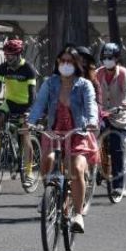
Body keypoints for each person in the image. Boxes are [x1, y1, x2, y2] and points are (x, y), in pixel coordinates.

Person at [28, 46, 98, 232]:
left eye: (69, 61)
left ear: (76, 65)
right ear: (58, 63)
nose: (65, 64)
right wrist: (30, 122)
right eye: (62, 61)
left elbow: (91, 106)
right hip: (54, 133)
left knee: (76, 168)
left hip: (78, 133)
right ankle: (50, 194)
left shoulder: (84, 85)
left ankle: (78, 214)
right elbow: (39, 104)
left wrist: (92, 122)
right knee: (47, 160)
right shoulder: (50, 83)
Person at [0, 38, 38, 179]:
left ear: (18, 54)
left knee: (25, 135)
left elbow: (32, 93)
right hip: (10, 102)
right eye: (6, 55)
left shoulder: (28, 69)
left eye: (10, 55)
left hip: (26, 104)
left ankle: (28, 172)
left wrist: (29, 111)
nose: (8, 58)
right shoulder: (3, 68)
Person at [95, 42, 126, 196]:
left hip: (120, 116)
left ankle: (118, 185)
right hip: (102, 114)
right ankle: (97, 169)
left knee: (117, 149)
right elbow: (92, 90)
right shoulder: (98, 73)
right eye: (104, 57)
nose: (107, 60)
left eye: (110, 58)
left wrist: (123, 104)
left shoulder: (124, 73)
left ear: (117, 59)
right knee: (92, 140)